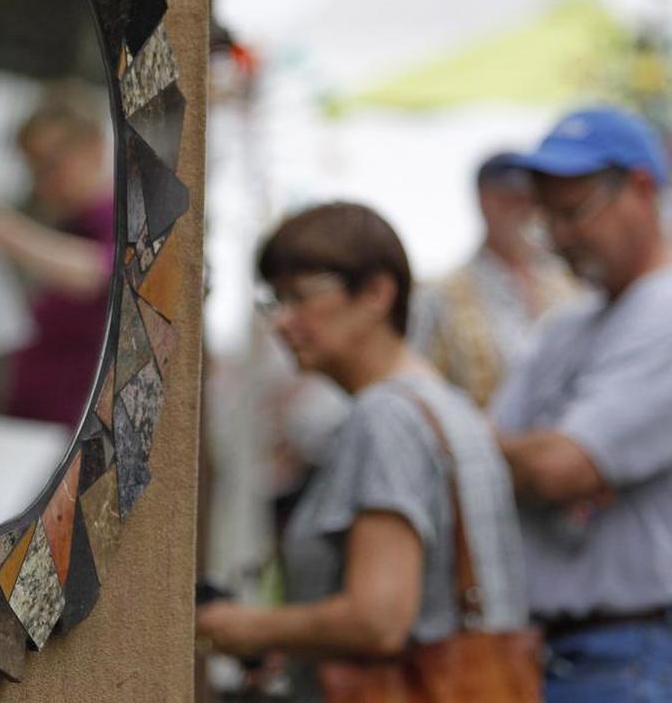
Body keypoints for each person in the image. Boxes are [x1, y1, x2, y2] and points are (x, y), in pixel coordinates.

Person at [196, 202, 528, 702]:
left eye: (300, 297)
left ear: (376, 293)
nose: (282, 322)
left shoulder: (386, 418)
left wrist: (249, 627)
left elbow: (379, 620)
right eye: (273, 301)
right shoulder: (445, 405)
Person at [491, 106, 672, 703]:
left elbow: (558, 468)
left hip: (631, 656)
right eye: (547, 218)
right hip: (552, 649)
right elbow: (494, 454)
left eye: (574, 211)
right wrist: (522, 457)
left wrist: (532, 458)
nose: (559, 236)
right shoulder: (569, 324)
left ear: (642, 189)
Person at [0, 86, 114, 428]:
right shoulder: (68, 228)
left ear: (93, 147)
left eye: (51, 164)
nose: (43, 185)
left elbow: (100, 272)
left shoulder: (115, 219)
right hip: (29, 428)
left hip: (65, 434)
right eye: (35, 171)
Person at [411, 152, 576, 407]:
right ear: (483, 201)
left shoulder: (568, 281)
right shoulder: (442, 295)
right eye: (510, 198)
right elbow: (426, 388)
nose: (524, 208)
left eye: (531, 198)